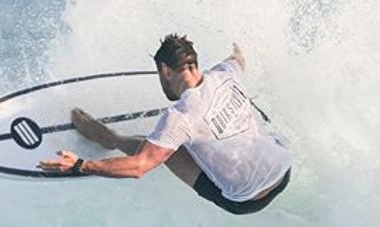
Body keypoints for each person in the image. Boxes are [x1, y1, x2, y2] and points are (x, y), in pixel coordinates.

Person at [38, 35, 291, 215]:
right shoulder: (226, 72)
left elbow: (139, 167)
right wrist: (238, 47)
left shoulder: (179, 116)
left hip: (246, 200)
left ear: (165, 70)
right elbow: (238, 58)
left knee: (167, 152)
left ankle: (110, 138)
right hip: (283, 170)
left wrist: (81, 165)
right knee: (246, 122)